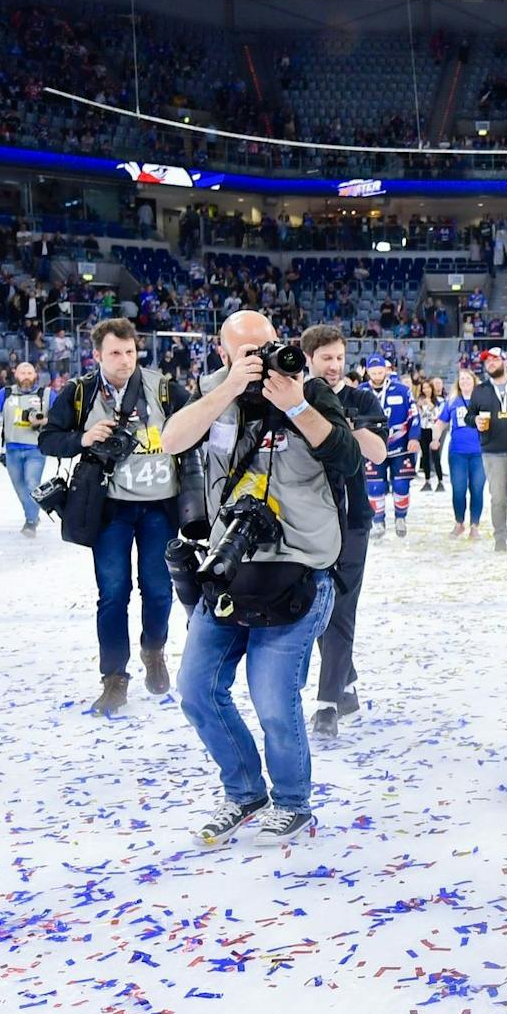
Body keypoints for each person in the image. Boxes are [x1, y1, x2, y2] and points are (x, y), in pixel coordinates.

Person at [159, 310, 361, 846]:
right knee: (197, 689)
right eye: (246, 351)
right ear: (224, 353)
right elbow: (173, 441)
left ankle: (293, 802)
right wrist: (228, 389)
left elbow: (346, 458)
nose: (260, 357)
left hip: (300, 566)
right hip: (231, 567)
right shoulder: (211, 393)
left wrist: (293, 403)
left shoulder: (311, 390)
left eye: (268, 345)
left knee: (273, 697)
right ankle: (245, 792)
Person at [38, 318, 191, 714]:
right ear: (97, 355)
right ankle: (114, 677)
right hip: (109, 508)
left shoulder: (162, 388)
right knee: (113, 594)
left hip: (160, 505)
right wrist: (84, 438)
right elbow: (48, 439)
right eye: (115, 353)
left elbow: (196, 426)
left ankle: (153, 649)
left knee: (158, 590)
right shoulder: (80, 393)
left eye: (130, 352)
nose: (125, 360)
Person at [301, 324, 388, 740]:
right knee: (316, 607)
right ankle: (345, 682)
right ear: (308, 359)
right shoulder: (293, 399)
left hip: (353, 518)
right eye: (326, 358)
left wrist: (340, 427)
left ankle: (327, 703)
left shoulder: (360, 399)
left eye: (339, 358)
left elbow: (379, 452)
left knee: (342, 607)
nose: (334, 366)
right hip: (304, 521)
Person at [464, 347, 507, 552]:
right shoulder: (480, 390)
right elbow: (468, 417)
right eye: (487, 361)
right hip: (492, 451)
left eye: (494, 360)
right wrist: (475, 420)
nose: (490, 363)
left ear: (505, 361)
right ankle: (500, 539)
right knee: (498, 499)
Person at [0, 361, 53, 534]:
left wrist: (43, 421)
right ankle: (32, 516)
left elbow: (61, 415)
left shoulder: (46, 394)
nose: (26, 376)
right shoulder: (6, 393)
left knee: (32, 484)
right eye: (23, 373)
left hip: (36, 449)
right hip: (12, 449)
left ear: (35, 375)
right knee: (20, 489)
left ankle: (31, 522)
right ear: (16, 375)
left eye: (29, 373)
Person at [358, 354, 418, 538]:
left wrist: (414, 437)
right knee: (375, 486)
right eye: (373, 372)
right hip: (372, 447)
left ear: (386, 370)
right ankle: (378, 521)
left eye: (380, 371)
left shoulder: (402, 390)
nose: (377, 376)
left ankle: (401, 517)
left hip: (400, 446)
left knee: (401, 485)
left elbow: (414, 415)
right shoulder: (360, 392)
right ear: (367, 372)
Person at [436, 367, 486, 538]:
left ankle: (475, 525)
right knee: (458, 488)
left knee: (477, 488)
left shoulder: (483, 400)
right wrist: (435, 439)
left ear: (474, 381)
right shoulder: (452, 401)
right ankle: (459, 523)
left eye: (468, 378)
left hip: (479, 452)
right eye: (461, 379)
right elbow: (441, 422)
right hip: (457, 452)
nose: (464, 381)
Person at [415, 378, 445, 493]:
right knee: (425, 456)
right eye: (424, 388)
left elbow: (438, 415)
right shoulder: (420, 401)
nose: (426, 390)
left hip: (434, 430)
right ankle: (427, 481)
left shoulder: (438, 401)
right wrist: (419, 406)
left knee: (436, 456)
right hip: (423, 430)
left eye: (428, 387)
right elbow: (418, 415)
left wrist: (430, 404)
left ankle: (440, 480)